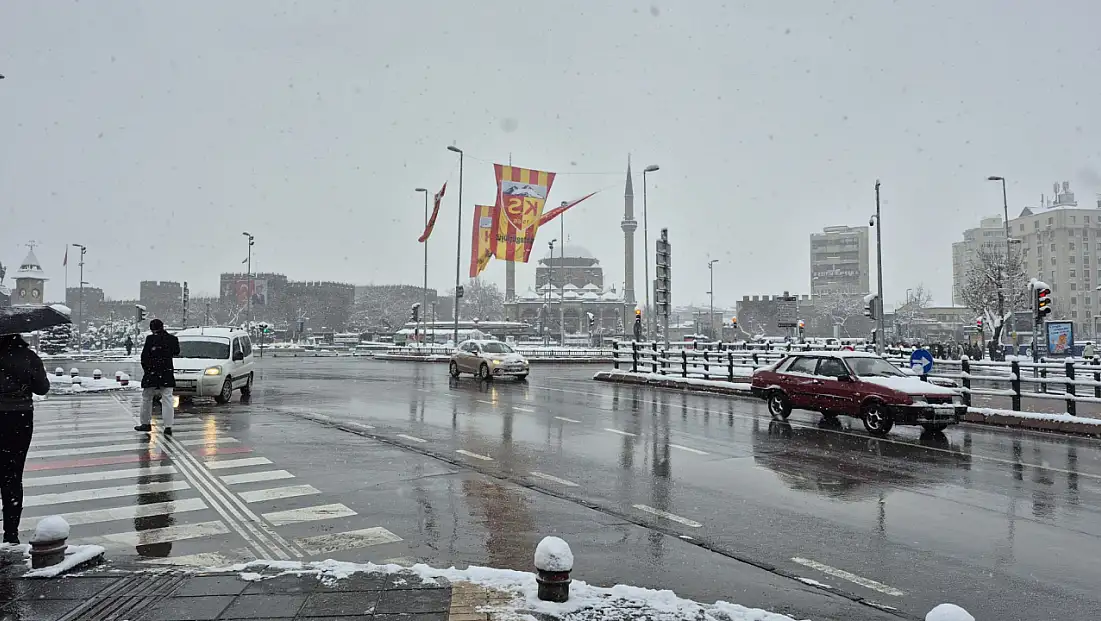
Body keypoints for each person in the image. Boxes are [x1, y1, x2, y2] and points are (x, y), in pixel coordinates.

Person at [0, 333, 50, 544]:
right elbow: (42, 388)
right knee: (13, 474)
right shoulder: (28, 357)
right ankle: (11, 531)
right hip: (20, 419)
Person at [136, 319, 179, 436]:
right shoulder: (172, 339)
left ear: (152, 328)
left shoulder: (150, 339)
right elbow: (176, 351)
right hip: (167, 373)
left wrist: (148, 369)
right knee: (168, 399)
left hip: (152, 373)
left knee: (147, 398)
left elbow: (144, 356)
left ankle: (145, 423)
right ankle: (168, 426)